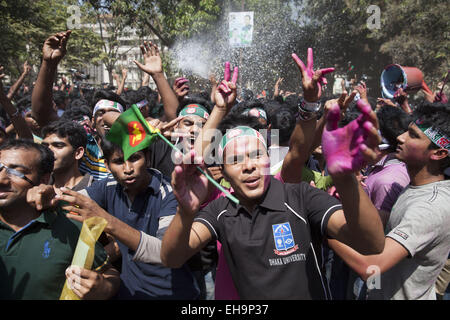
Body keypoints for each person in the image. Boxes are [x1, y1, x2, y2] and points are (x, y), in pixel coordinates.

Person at [160, 48, 386, 300]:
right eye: (235, 159)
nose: (248, 165)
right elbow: (172, 258)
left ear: (269, 158)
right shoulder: (220, 208)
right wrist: (185, 211)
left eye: (256, 155)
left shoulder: (301, 198)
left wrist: (345, 179)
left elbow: (372, 245)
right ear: (222, 171)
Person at [328, 101, 450, 300]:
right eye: (407, 131)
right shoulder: (417, 185)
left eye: (413, 136)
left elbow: (371, 266)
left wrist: (324, 228)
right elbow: (387, 222)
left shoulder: (430, 207)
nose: (400, 138)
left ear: (438, 153)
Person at [53, 139, 200, 300]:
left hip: (172, 293)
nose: (128, 169)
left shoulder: (170, 193)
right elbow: (69, 202)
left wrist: (106, 220)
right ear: (107, 165)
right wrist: (49, 197)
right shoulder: (107, 186)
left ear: (148, 158)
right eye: (118, 161)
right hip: (129, 292)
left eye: (135, 158)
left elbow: (163, 252)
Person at [0, 139, 120, 299]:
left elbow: (107, 272)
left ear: (43, 180)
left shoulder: (69, 219)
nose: (1, 179)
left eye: (16, 172)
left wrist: (104, 288)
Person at [41, 119, 94, 190]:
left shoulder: (95, 191)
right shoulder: (37, 186)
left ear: (78, 153)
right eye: (45, 146)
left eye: (58, 145)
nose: (48, 150)